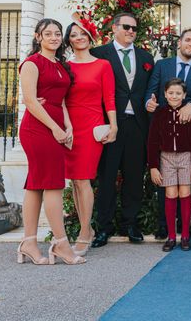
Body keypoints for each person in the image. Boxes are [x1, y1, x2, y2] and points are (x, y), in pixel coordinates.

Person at [17, 18, 84, 265]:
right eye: (48, 34)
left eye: (57, 33)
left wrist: (68, 127)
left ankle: (29, 243)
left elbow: (62, 101)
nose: (54, 37)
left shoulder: (61, 65)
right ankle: (61, 244)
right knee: (54, 183)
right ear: (38, 37)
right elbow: (31, 102)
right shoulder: (32, 64)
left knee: (36, 184)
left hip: (56, 126)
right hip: (37, 129)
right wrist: (55, 128)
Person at [90, 12, 155, 248]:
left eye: (134, 29)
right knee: (106, 178)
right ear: (114, 28)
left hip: (137, 125)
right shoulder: (99, 54)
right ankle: (103, 228)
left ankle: (131, 225)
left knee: (134, 178)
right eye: (126, 27)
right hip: (110, 125)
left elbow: (149, 89)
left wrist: (152, 101)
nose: (131, 31)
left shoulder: (146, 57)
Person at [145, 27, 191, 240]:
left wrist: (190, 106)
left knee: (185, 187)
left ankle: (185, 227)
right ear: (180, 42)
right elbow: (151, 90)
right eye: (188, 40)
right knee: (165, 184)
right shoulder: (162, 65)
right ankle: (165, 227)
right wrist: (149, 102)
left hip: (185, 134)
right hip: (163, 130)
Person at [64, 15, 117, 256]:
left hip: (92, 126)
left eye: (82, 33)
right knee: (75, 180)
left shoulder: (102, 65)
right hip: (69, 127)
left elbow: (110, 98)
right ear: (69, 41)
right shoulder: (65, 65)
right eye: (74, 35)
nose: (79, 38)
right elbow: (60, 97)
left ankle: (85, 231)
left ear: (90, 36)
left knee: (84, 179)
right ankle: (86, 230)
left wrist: (113, 126)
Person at [147, 78, 191, 252]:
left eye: (178, 93)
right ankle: (171, 237)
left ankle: (185, 235)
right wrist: (153, 166)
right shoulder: (159, 113)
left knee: (185, 193)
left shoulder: (190, 114)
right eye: (171, 93)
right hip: (166, 159)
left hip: (186, 157)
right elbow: (152, 141)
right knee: (170, 194)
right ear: (165, 94)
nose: (174, 96)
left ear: (184, 95)